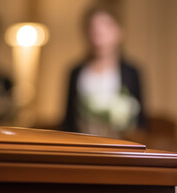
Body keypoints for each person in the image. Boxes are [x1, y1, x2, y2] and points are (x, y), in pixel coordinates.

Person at [62, 6, 145, 138]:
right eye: (93, 29)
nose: (98, 36)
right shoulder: (76, 72)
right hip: (82, 147)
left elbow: (141, 122)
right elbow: (67, 120)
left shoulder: (131, 72)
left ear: (118, 31)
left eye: (105, 28)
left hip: (121, 148)